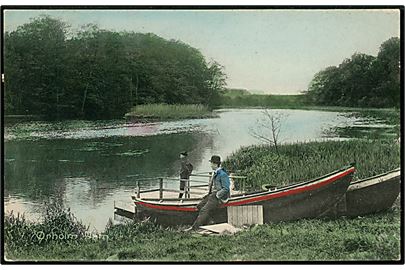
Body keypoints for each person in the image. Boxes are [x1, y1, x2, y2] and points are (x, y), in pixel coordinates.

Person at [184, 155, 230, 231]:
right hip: (212, 195)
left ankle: (194, 228)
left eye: (211, 163)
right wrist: (208, 194)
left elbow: (226, 188)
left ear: (215, 164)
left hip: (217, 197)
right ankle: (209, 222)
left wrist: (218, 195)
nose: (210, 165)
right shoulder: (216, 172)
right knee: (199, 206)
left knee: (204, 210)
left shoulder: (222, 174)